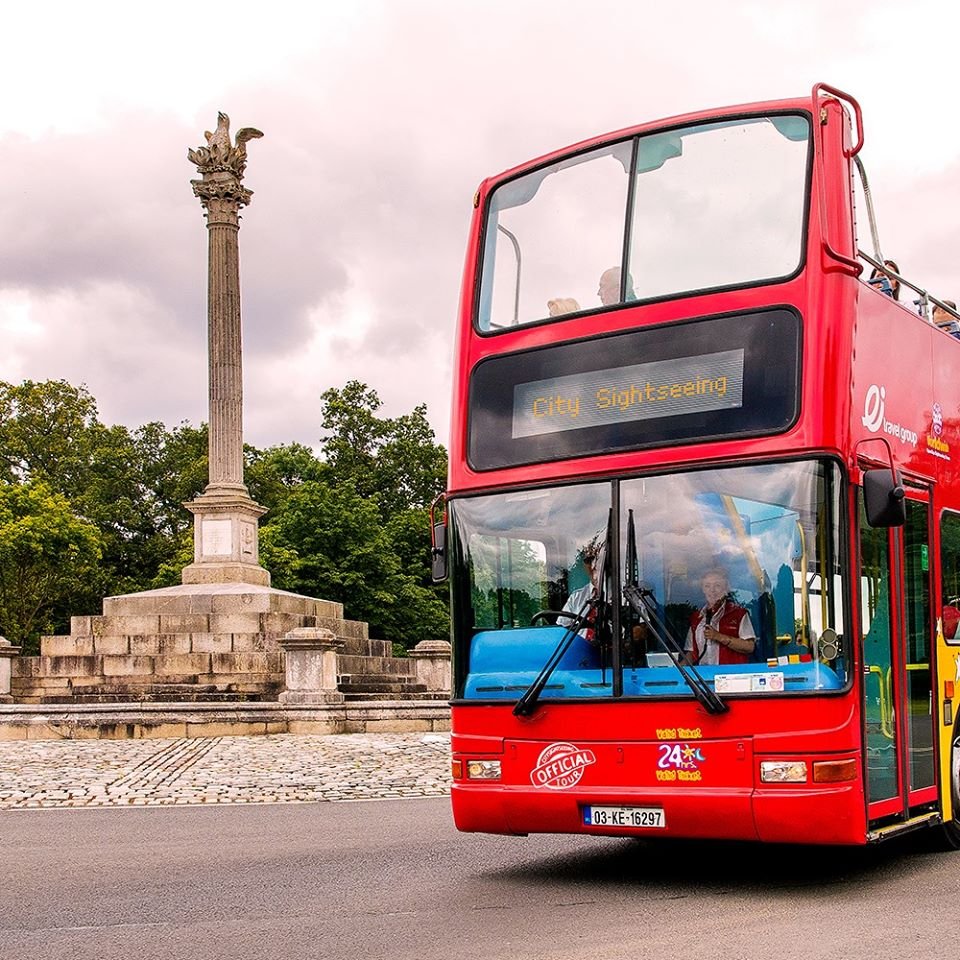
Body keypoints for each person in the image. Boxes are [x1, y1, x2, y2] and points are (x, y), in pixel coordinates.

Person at [685, 567, 756, 665]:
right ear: (703, 590)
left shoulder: (738, 614)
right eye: (707, 586)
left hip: (731, 676)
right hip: (703, 676)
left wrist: (718, 636)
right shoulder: (696, 618)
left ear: (725, 589)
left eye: (717, 586)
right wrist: (675, 671)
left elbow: (749, 647)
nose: (712, 590)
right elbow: (692, 653)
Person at [558, 537, 604, 642]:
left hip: (614, 654)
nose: (593, 566)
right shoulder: (576, 597)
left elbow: (641, 629)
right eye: (589, 561)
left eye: (597, 560)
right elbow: (561, 629)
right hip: (581, 653)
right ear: (585, 565)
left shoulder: (626, 594)